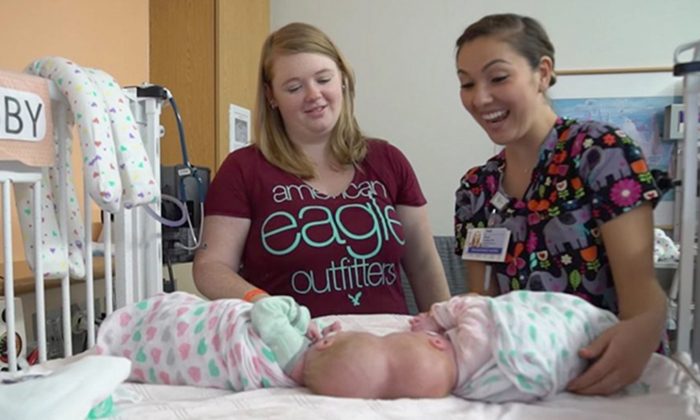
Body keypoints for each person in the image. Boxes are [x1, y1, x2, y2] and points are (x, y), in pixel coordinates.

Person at [451, 13, 667, 396]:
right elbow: (484, 309)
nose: (479, 97)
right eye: (467, 83)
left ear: (543, 72)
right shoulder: (477, 189)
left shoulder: (601, 154)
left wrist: (645, 326)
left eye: (498, 78)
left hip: (607, 373)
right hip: (523, 379)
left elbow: (642, 295)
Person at [193, 22, 450, 316]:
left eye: (323, 79)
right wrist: (261, 302)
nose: (313, 95)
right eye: (294, 87)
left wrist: (446, 329)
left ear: (342, 78)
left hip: (390, 346)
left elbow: (423, 264)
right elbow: (211, 267)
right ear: (271, 96)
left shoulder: (388, 160)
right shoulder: (242, 170)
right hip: (295, 348)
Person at [301, 291, 618, 402]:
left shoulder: (478, 386)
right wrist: (437, 317)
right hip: (550, 340)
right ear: (437, 342)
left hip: (540, 375)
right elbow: (475, 306)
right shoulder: (475, 341)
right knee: (575, 328)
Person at [95, 291, 341, 390]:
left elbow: (266, 311)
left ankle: (128, 332)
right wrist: (319, 328)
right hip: (213, 352)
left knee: (177, 323)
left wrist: (302, 318)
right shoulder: (299, 378)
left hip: (218, 332)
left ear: (325, 344)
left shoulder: (294, 350)